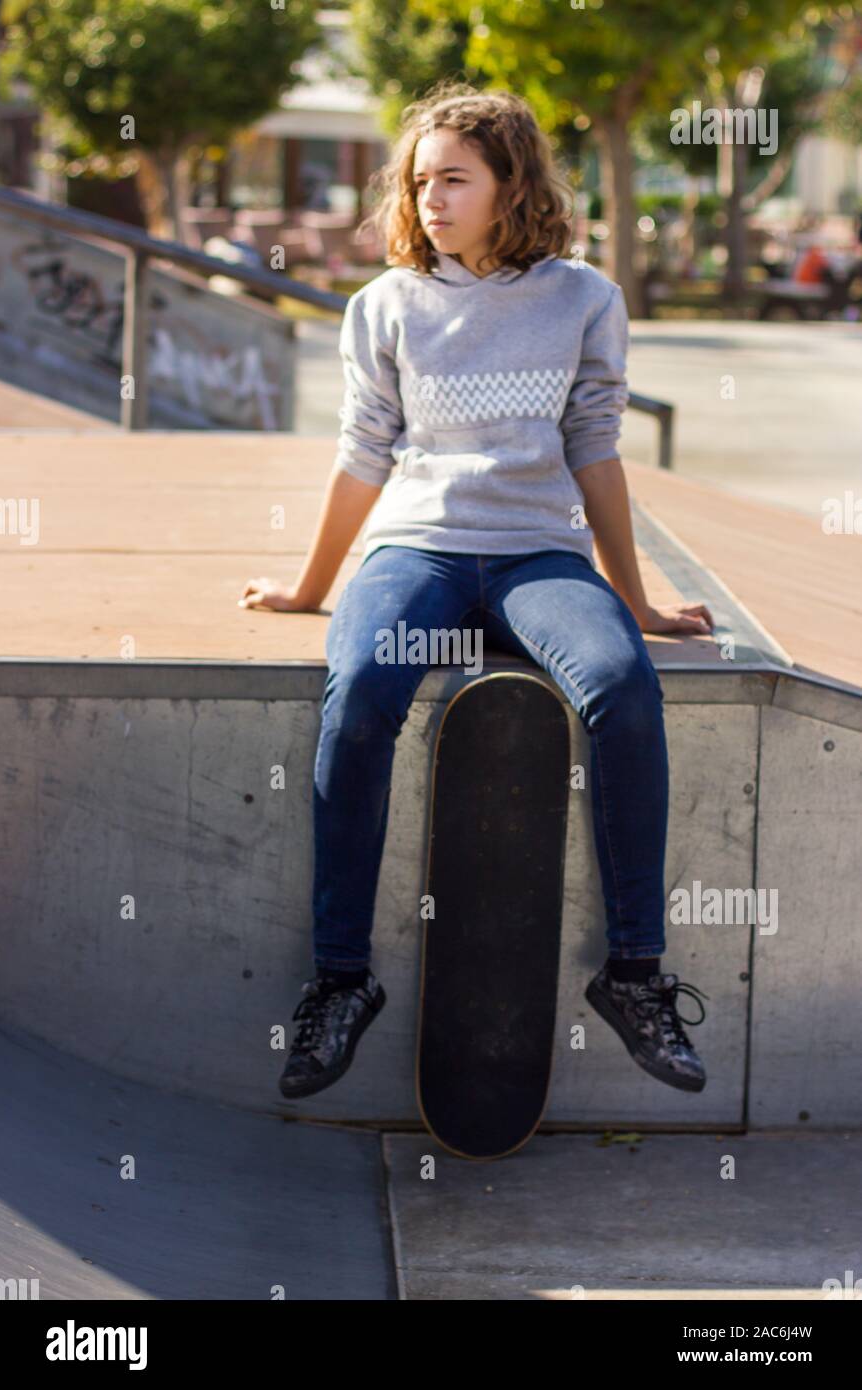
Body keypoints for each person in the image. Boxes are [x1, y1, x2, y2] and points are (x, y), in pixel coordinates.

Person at [239, 82, 714, 1104]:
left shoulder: (582, 298)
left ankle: (633, 973)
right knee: (360, 685)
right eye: (419, 181)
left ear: (510, 184)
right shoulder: (384, 307)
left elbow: (593, 450)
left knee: (623, 686)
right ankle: (339, 979)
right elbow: (362, 455)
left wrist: (633, 600)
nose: (431, 198)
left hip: (539, 556)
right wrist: (309, 588)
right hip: (418, 550)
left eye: (454, 177)